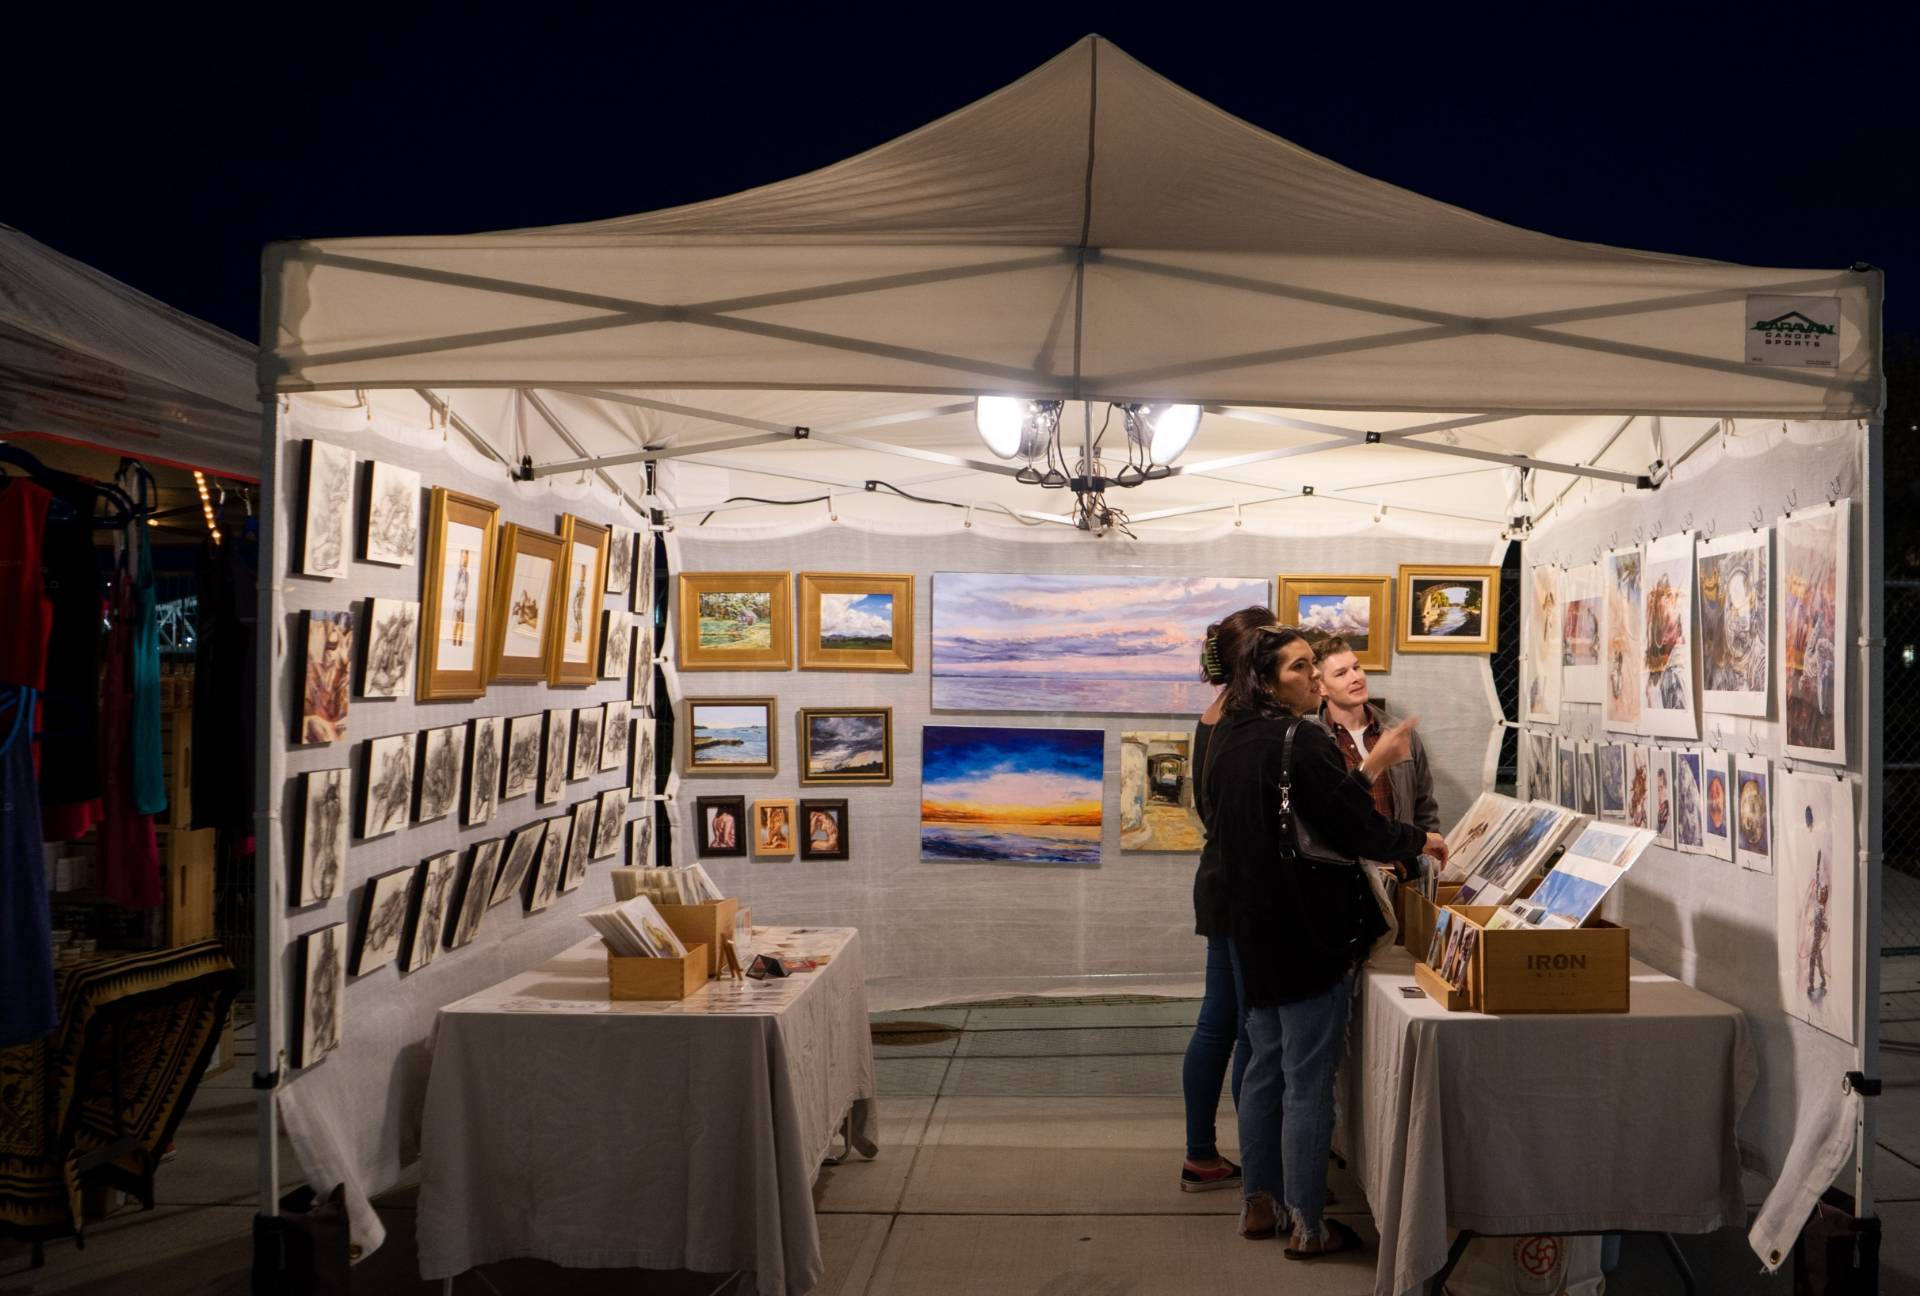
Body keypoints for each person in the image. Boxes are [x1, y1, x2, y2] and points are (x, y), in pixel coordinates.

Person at [1205, 610, 1446, 1259]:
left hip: (1253, 927)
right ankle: (1309, 1225)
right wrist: (1417, 839)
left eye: (1315, 664)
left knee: (1262, 1070)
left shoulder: (1228, 735)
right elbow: (1355, 827)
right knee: (1307, 1080)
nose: (1313, 677)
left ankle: (1259, 1202)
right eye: (1300, 668)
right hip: (1310, 930)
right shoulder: (1299, 740)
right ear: (1266, 679)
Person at [1177, 609, 1273, 1193]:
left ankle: (1202, 1154)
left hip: (1218, 881)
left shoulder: (1213, 715)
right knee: (1245, 1027)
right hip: (1243, 887)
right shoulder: (1245, 720)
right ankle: (1257, 1165)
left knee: (1219, 1022)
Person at [1313, 637, 1440, 840]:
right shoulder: (1313, 740)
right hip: (1347, 866)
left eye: (1357, 667)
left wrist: (1426, 851)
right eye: (1341, 673)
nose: (1356, 677)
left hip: (1401, 863)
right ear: (1321, 687)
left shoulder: (1397, 732)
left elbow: (1424, 805)